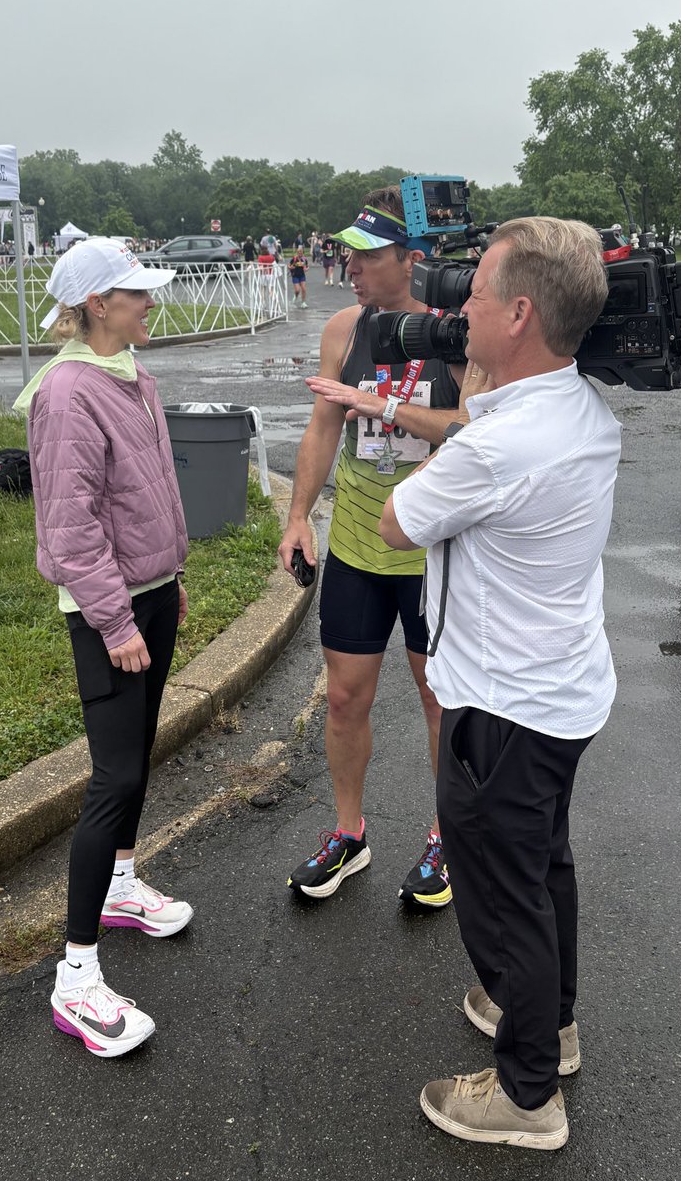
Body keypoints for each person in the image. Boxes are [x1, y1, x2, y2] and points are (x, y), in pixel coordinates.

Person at [379, 217, 619, 1150]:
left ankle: (526, 1098)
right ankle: (547, 1026)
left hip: (503, 705)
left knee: (501, 893)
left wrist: (463, 408)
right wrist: (480, 394)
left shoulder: (495, 449)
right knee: (542, 867)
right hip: (559, 691)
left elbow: (400, 521)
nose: (455, 305)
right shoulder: (579, 406)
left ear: (519, 313)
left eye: (473, 291)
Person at [12, 238, 191, 1058]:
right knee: (114, 777)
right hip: (107, 612)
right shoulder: (70, 392)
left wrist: (167, 581)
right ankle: (76, 976)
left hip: (149, 594)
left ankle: (120, 887)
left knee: (139, 759)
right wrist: (116, 622)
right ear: (95, 307)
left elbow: (146, 490)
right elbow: (73, 528)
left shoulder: (131, 375)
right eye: (134, 294)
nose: (148, 303)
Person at [279, 185, 481, 908]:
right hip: (360, 548)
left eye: (366, 256)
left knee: (440, 701)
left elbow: (474, 427)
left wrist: (385, 405)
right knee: (343, 698)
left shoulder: (458, 332)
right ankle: (348, 834)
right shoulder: (344, 329)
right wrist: (299, 516)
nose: (350, 266)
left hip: (432, 551)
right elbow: (322, 430)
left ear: (412, 258)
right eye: (346, 253)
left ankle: (445, 839)